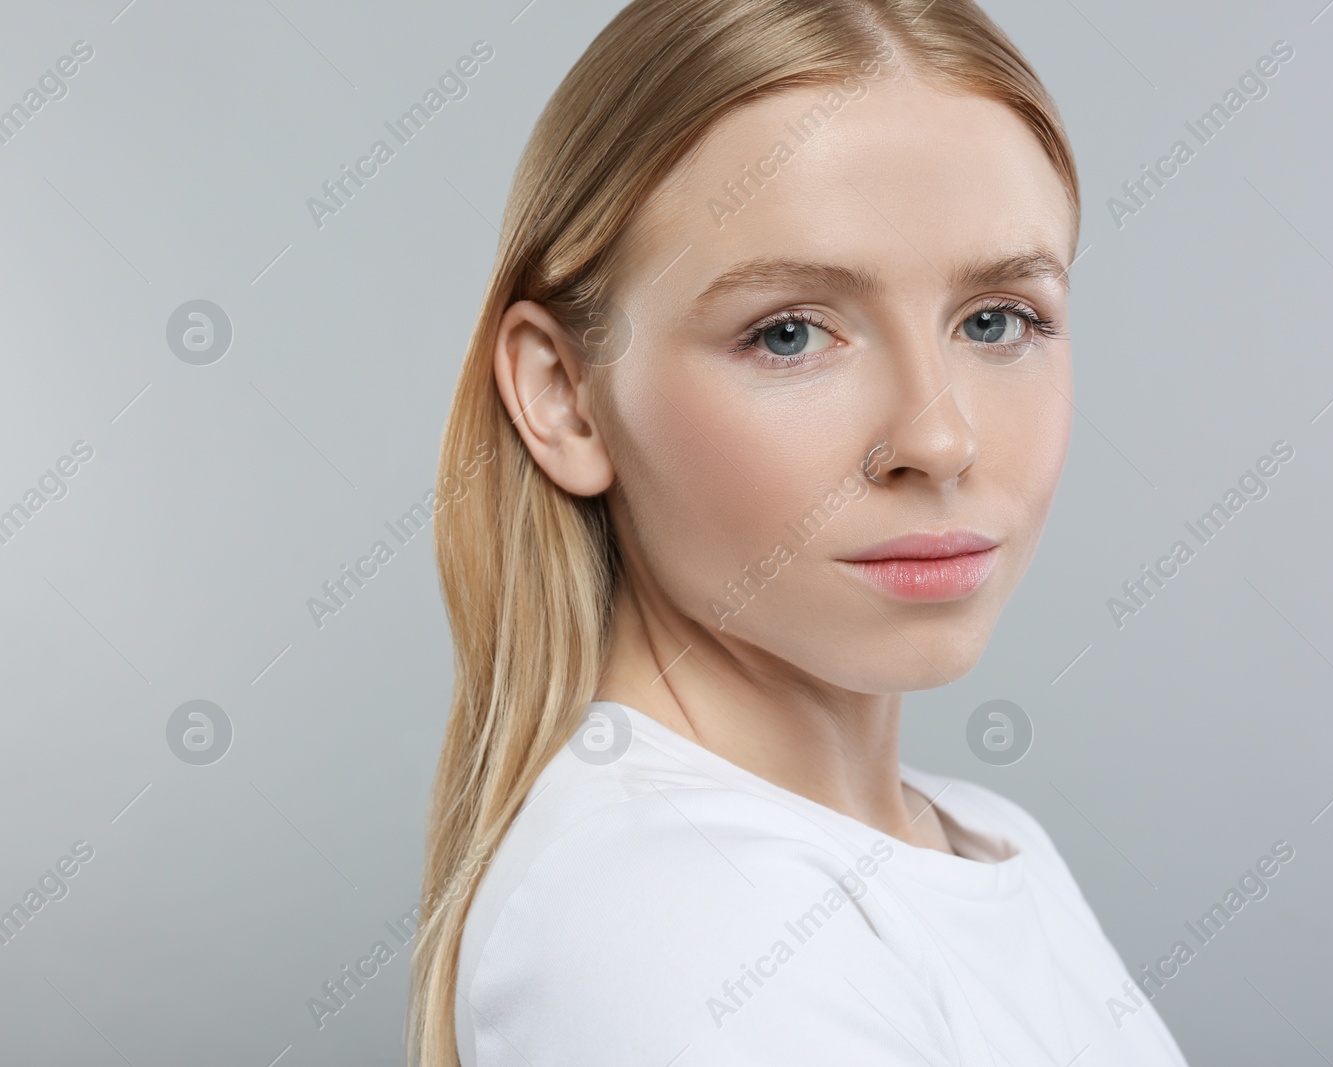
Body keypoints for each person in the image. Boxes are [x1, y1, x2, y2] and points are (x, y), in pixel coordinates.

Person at [408, 1, 1189, 1063]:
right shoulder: (683, 927)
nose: (939, 435)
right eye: (788, 333)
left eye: (998, 318)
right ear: (564, 397)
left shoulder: (979, 836)